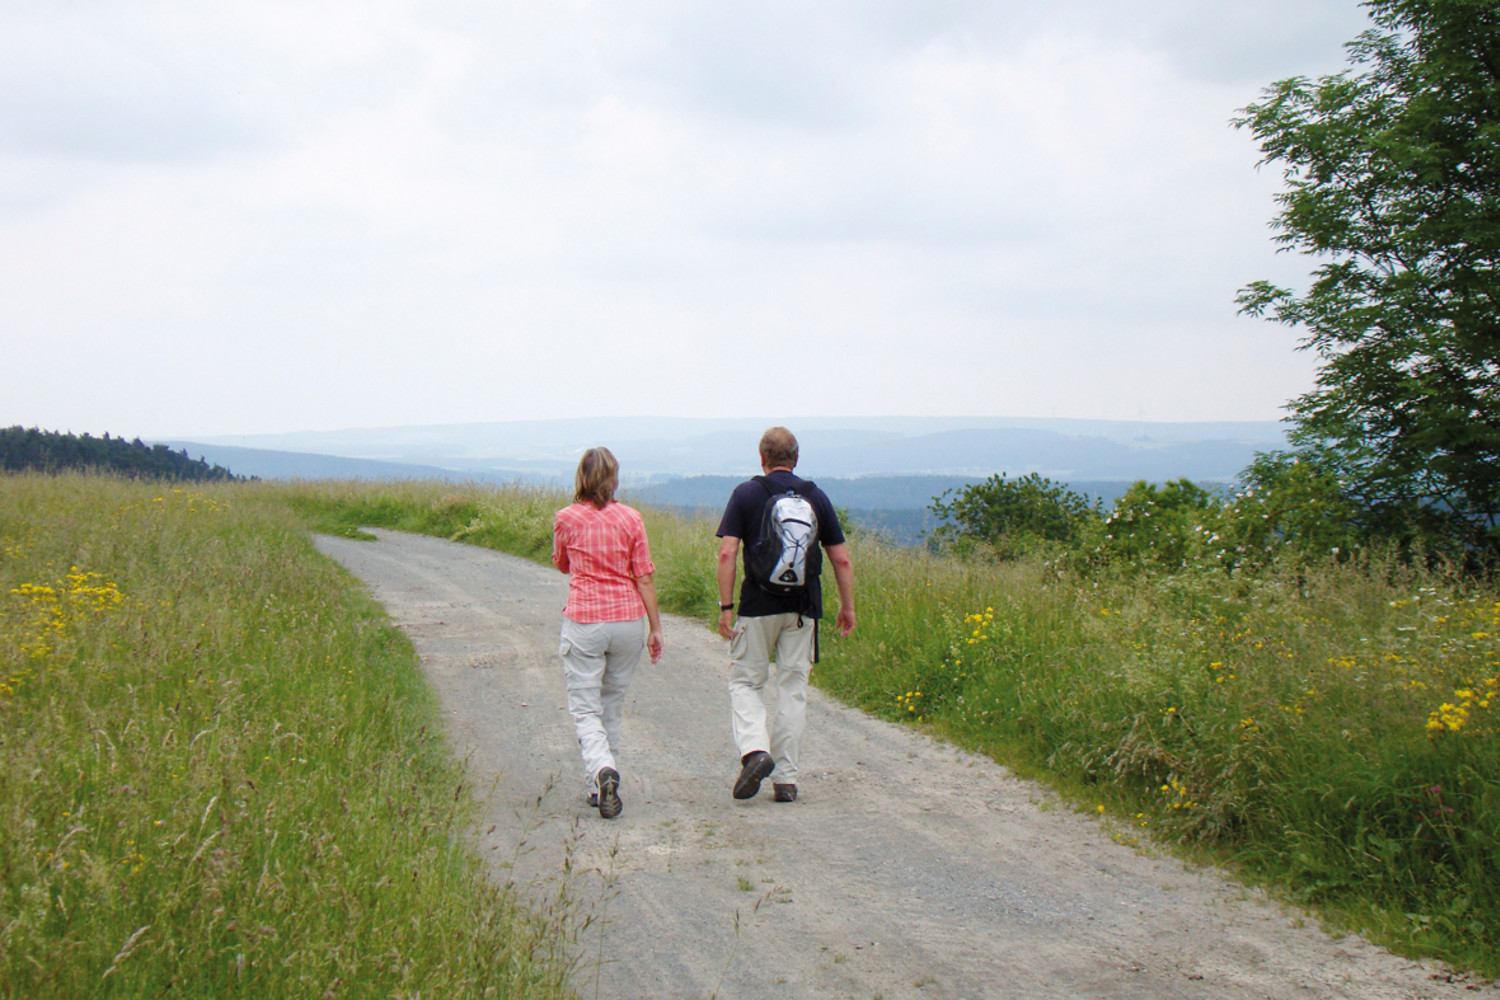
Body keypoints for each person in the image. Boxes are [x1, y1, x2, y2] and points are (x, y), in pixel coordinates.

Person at [715, 426, 855, 803]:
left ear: (762, 458)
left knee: (746, 683)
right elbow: (840, 558)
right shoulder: (815, 496)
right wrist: (847, 607)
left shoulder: (746, 494)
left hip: (757, 605)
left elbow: (728, 552)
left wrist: (726, 607)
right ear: (796, 458)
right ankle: (786, 781)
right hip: (802, 608)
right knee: (793, 689)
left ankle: (755, 752)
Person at [552, 446, 664, 819]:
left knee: (585, 707)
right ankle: (598, 785)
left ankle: (602, 771)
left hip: (585, 620)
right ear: (614, 478)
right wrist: (655, 627)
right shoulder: (632, 518)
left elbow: (562, 563)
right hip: (628, 620)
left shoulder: (566, 518)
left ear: (581, 477)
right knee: (611, 704)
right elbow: (643, 576)